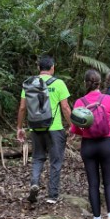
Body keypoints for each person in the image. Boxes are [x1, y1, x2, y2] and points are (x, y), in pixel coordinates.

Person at [70, 69, 110, 219]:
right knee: (109, 182)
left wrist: (87, 132)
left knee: (93, 183)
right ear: (100, 83)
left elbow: (74, 129)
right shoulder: (109, 99)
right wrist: (109, 130)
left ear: (85, 83)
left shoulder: (80, 102)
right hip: (107, 144)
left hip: (88, 146)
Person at [17, 55, 71, 204]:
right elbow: (65, 107)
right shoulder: (59, 83)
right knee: (55, 161)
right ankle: (52, 196)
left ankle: (34, 183)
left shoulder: (29, 84)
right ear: (52, 67)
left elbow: (22, 108)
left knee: (37, 158)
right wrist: (72, 126)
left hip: (35, 127)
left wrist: (19, 127)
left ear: (38, 68)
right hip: (55, 128)